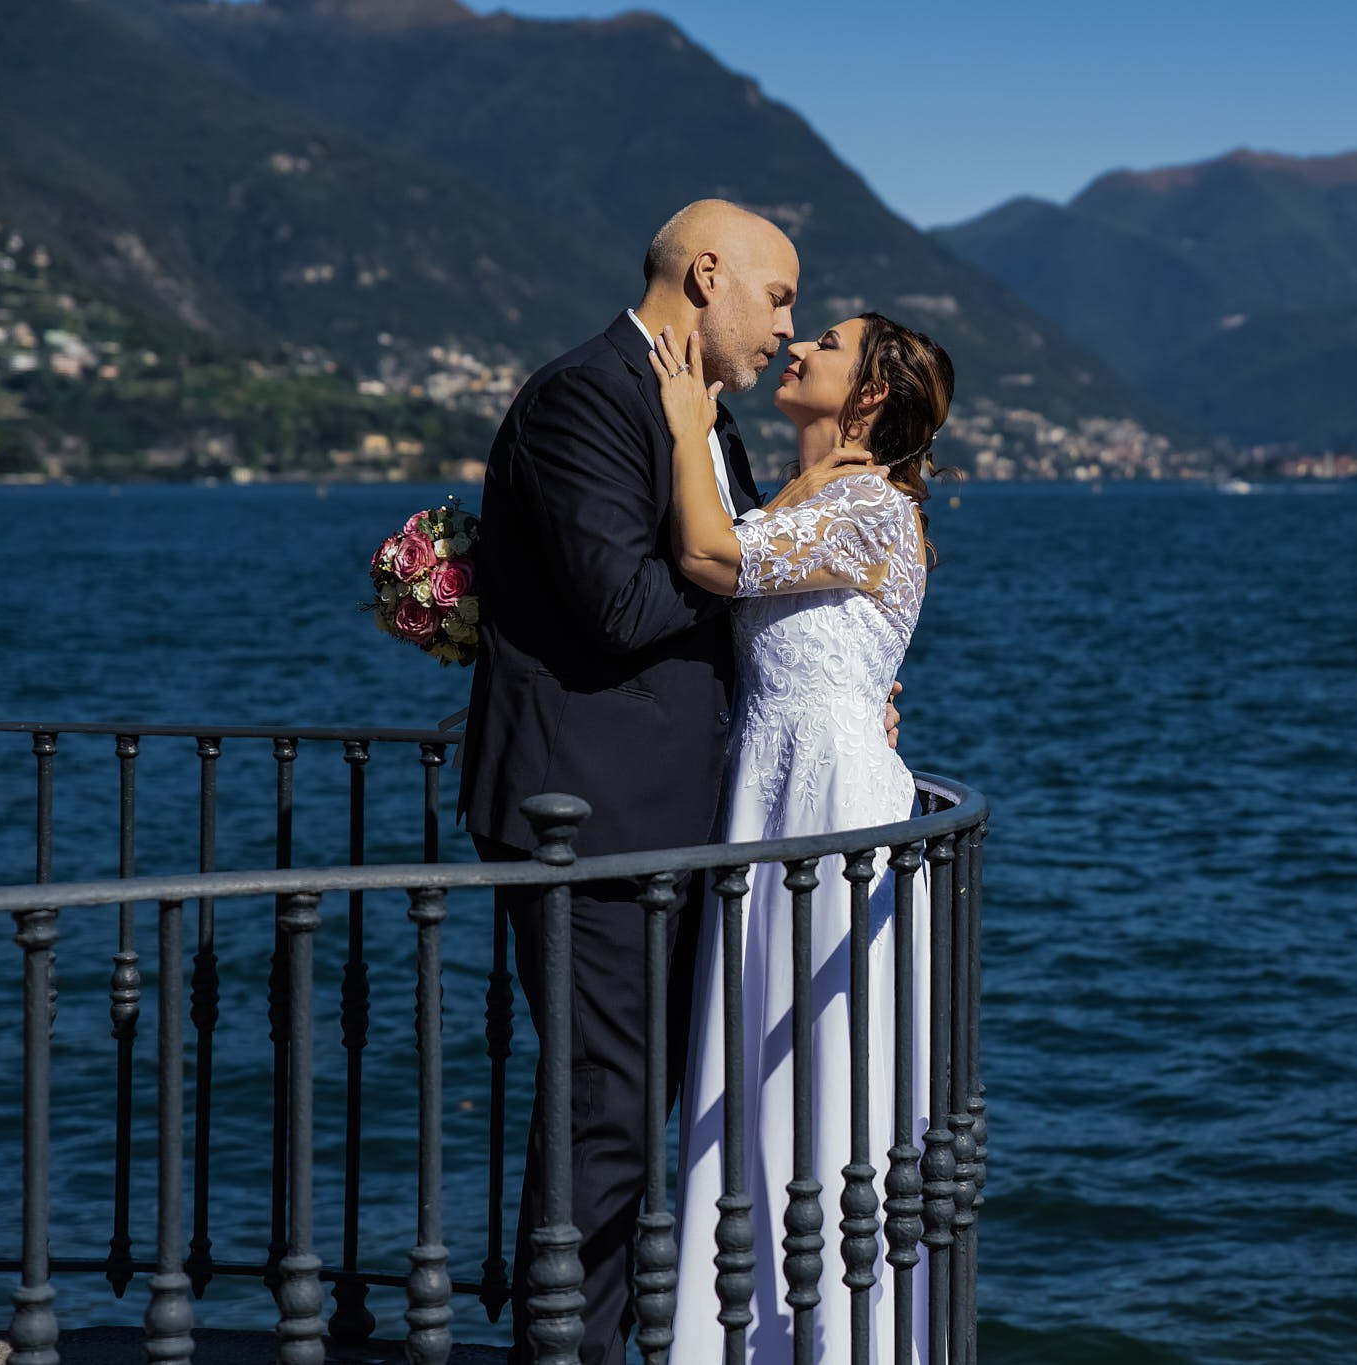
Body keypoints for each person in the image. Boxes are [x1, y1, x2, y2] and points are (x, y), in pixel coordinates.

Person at [456, 199, 895, 1365]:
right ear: (707, 275)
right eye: (778, 296)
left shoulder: (700, 413)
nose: (784, 330)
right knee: (605, 1101)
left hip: (675, 819)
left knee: (638, 1102)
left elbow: (711, 580)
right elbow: (623, 605)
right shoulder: (587, 400)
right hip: (585, 817)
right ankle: (569, 1354)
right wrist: (734, 560)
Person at [647, 312, 953, 1363]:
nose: (798, 345)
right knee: (749, 1058)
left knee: (821, 1071)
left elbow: (708, 554)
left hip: (827, 807)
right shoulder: (800, 493)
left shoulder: (870, 506)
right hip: (769, 791)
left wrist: (689, 420)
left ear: (868, 394)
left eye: (825, 341)